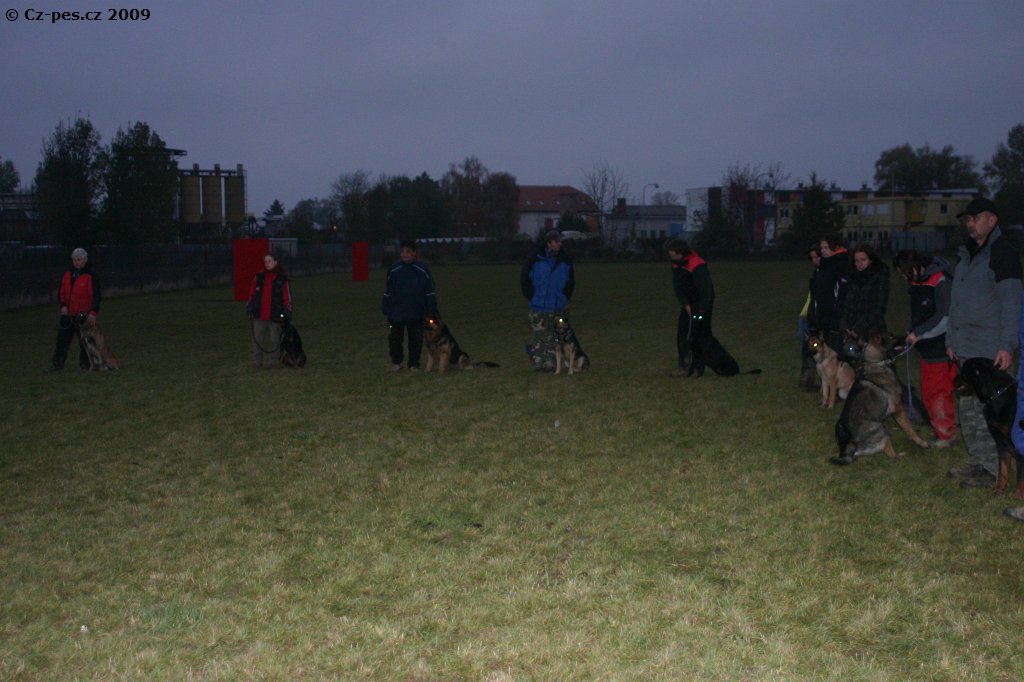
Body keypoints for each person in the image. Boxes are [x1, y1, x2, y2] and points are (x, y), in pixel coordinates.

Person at [946, 197, 1022, 489]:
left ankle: (994, 469)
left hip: (991, 348)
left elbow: (1012, 302)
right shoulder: (966, 254)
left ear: (992, 220)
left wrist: (1007, 344)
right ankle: (981, 461)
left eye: (975, 218)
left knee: (995, 415)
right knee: (969, 411)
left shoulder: (1002, 253)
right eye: (967, 219)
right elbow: (956, 302)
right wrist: (951, 338)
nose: (970, 223)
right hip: (966, 346)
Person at [893, 249, 957, 447]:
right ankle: (939, 428)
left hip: (941, 348)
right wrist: (911, 332)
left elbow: (945, 316)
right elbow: (916, 313)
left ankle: (946, 434)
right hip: (926, 349)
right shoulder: (917, 282)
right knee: (928, 392)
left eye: (904, 273)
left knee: (940, 393)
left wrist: (919, 333)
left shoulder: (940, 280)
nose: (904, 278)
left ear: (914, 266)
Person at [520, 230, 575, 371]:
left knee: (556, 335)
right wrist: (532, 296)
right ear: (549, 243)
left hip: (558, 306)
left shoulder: (565, 260)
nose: (560, 244)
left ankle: (553, 363)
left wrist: (564, 297)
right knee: (538, 335)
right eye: (557, 241)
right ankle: (539, 363)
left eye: (560, 241)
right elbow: (525, 279)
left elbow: (570, 282)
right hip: (538, 305)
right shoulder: (535, 258)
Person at [382, 240, 437, 371]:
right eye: (402, 252)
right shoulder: (394, 270)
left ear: (414, 253)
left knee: (416, 338)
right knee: (395, 338)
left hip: (416, 310)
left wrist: (431, 308)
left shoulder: (422, 270)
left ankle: (413, 364)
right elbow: (388, 290)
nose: (405, 254)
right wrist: (386, 306)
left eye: (408, 252)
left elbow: (430, 290)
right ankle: (397, 363)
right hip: (397, 310)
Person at [48, 247, 101, 371]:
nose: (77, 262)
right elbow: (61, 292)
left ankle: (85, 365)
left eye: (79, 259)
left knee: (85, 340)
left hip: (83, 314)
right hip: (68, 313)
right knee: (62, 340)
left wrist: (92, 313)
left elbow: (96, 296)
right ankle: (57, 365)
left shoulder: (91, 276)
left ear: (85, 260)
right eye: (75, 260)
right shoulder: (67, 274)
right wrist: (63, 306)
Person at [667, 239, 714, 378]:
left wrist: (702, 309)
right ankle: (684, 367)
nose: (670, 257)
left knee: (698, 335)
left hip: (701, 305)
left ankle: (698, 368)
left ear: (680, 253)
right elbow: (677, 286)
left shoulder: (697, 264)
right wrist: (685, 304)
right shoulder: (676, 264)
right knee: (682, 334)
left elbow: (706, 289)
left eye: (672, 254)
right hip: (688, 304)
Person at [245, 252, 292, 369]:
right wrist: (249, 306)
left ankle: (273, 362)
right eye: (265, 261)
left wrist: (287, 311)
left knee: (274, 339)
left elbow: (286, 297)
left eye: (269, 261)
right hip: (259, 313)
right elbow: (252, 293)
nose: (267, 263)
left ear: (275, 262)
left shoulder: (282, 278)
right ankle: (257, 362)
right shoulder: (259, 276)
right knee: (257, 339)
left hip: (275, 314)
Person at [840, 243, 890, 342]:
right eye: (856, 260)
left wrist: (858, 328)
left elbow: (878, 308)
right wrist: (844, 324)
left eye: (863, 260)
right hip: (851, 329)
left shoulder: (879, 277)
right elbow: (847, 303)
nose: (859, 264)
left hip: (872, 329)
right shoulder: (853, 276)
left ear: (870, 260)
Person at [808, 234, 850, 350]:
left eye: (826, 248)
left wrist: (838, 314)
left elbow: (842, 292)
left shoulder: (841, 264)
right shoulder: (824, 265)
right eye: (822, 248)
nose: (823, 251)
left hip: (834, 315)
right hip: (823, 313)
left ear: (835, 247)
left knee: (836, 347)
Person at [799, 244, 823, 388]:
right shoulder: (816, 273)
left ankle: (817, 380)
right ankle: (807, 379)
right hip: (810, 314)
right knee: (807, 347)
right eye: (812, 258)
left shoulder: (825, 273)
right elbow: (811, 296)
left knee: (817, 348)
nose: (814, 260)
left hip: (820, 315)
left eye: (816, 257)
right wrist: (805, 312)